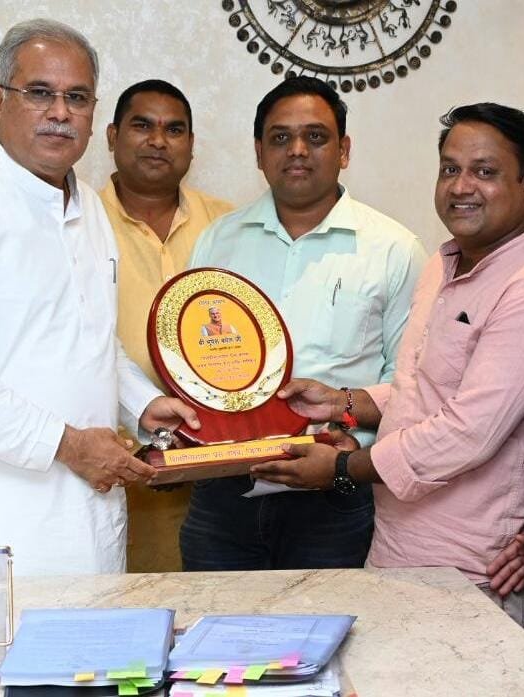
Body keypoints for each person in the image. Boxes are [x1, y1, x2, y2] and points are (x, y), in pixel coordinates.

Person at [249, 103, 524, 637]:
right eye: (450, 169)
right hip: (396, 544)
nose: (461, 186)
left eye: (484, 171)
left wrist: (342, 469)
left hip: (475, 568)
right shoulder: (442, 263)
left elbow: (468, 431)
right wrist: (342, 402)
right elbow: (421, 386)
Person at [0, 19, 198, 577]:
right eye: (39, 93)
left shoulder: (92, 208)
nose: (60, 112)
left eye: (77, 97)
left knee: (93, 632)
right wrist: (68, 445)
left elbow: (91, 339)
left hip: (86, 512)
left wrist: (143, 405)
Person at [181, 76, 426, 571]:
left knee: (331, 624)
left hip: (335, 495)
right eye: (280, 137)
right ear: (258, 152)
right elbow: (192, 362)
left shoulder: (394, 249)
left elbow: (411, 385)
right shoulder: (218, 241)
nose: (297, 150)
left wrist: (350, 447)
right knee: (217, 622)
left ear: (344, 150)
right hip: (223, 495)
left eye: (315, 136)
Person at [100, 79, 234, 385]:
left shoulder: (228, 224)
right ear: (112, 136)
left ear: (191, 144)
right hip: (111, 413)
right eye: (142, 126)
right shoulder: (81, 222)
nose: (158, 141)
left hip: (216, 409)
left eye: (174, 130)